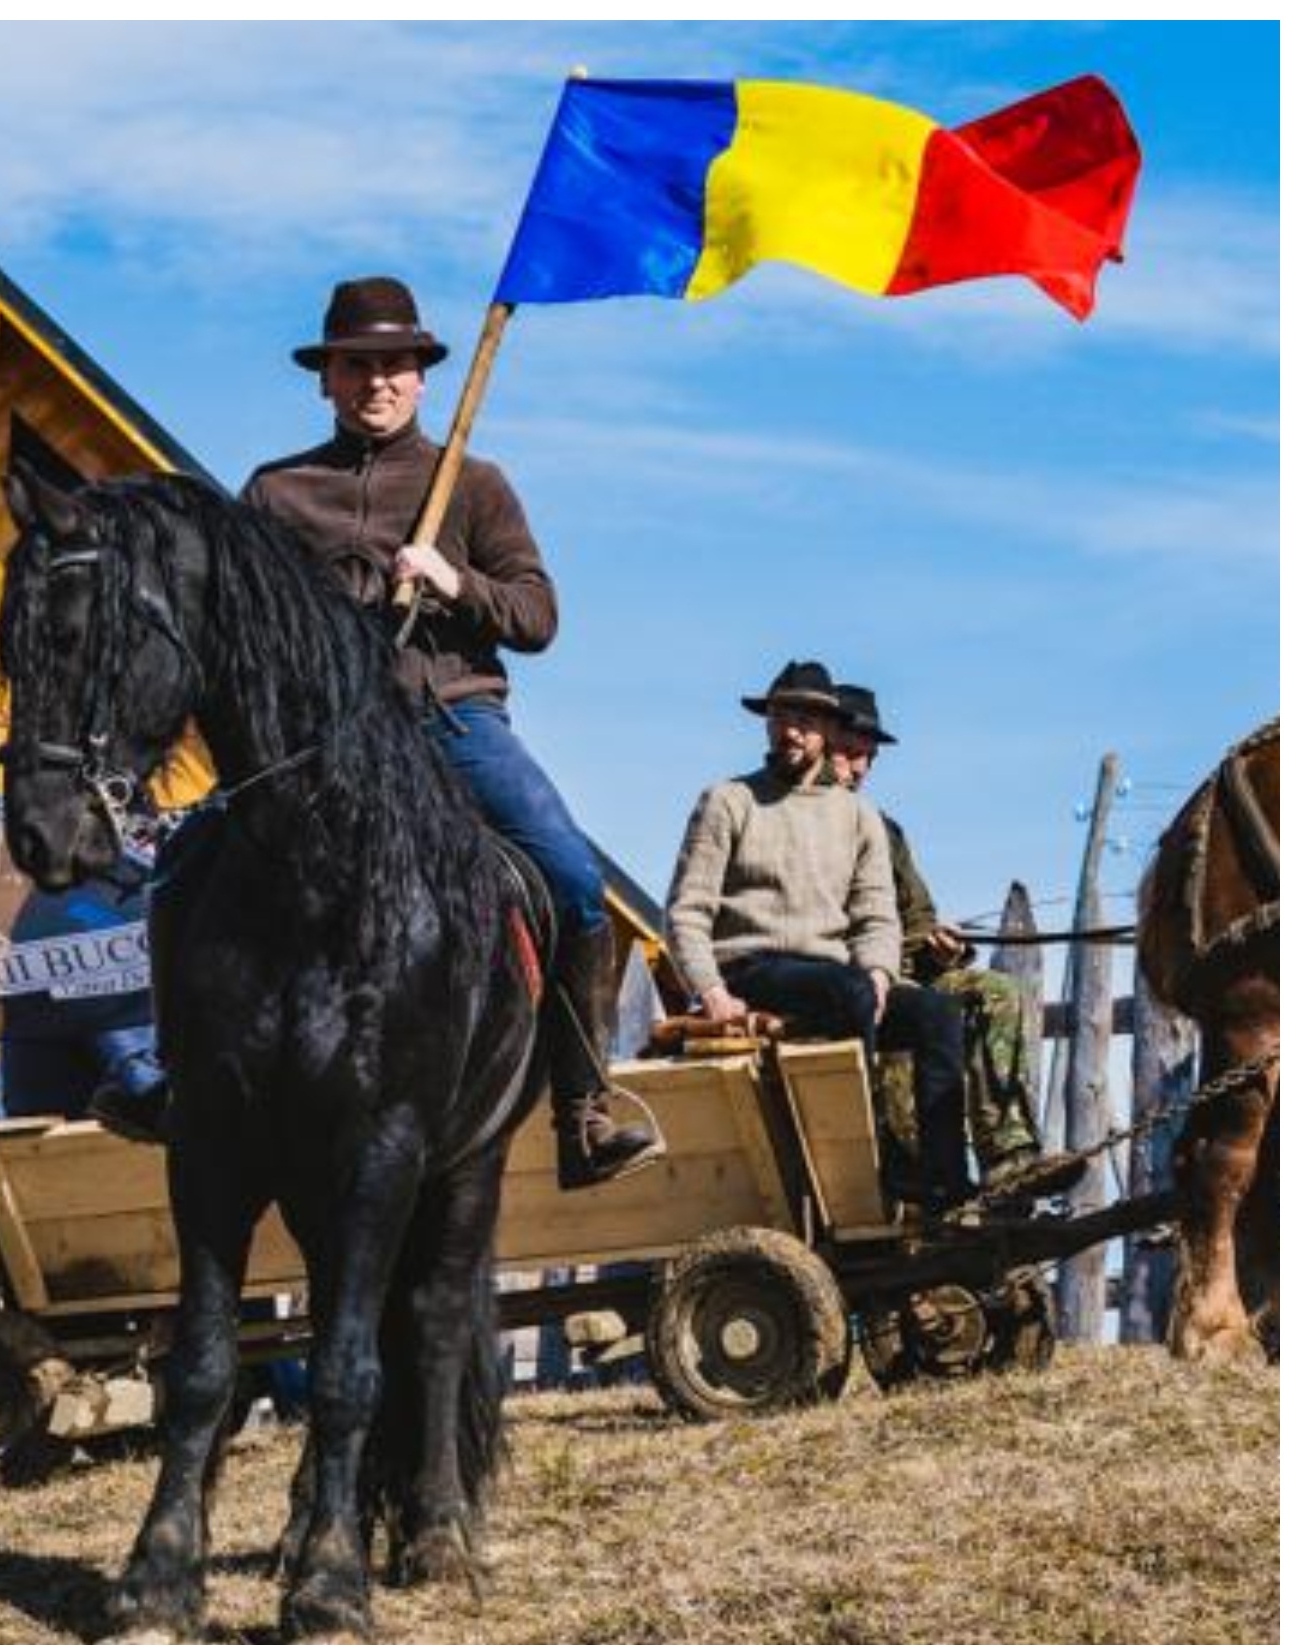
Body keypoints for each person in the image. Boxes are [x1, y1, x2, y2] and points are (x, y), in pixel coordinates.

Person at [243, 275, 656, 1190]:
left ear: (424, 377)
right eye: (357, 366)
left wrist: (456, 583)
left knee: (572, 878)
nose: (375, 383)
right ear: (326, 379)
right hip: (324, 744)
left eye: (393, 365)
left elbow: (540, 616)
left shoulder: (470, 484)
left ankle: (582, 1111)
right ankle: (186, 1082)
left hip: (450, 718)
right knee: (194, 869)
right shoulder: (276, 495)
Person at [666, 662, 972, 1211]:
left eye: (805, 720)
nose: (791, 731)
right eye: (782, 716)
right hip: (752, 969)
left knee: (937, 1014)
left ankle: (943, 1177)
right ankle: (879, 1155)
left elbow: (877, 914)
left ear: (829, 731)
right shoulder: (728, 802)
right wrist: (712, 992)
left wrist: (881, 972)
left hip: (835, 974)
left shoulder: (858, 817)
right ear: (767, 723)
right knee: (846, 991)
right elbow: (686, 913)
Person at [824, 684, 1084, 1202]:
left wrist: (942, 949)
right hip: (840, 982)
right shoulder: (798, 824)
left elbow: (918, 917)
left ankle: (1009, 1160)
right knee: (920, 1015)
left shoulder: (884, 831)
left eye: (868, 758)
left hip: (905, 976)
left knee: (997, 991)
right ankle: (924, 1177)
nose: (860, 769)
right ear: (820, 741)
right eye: (850, 753)